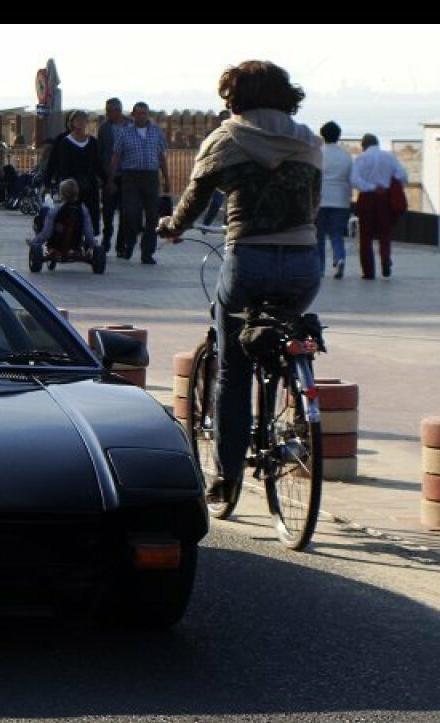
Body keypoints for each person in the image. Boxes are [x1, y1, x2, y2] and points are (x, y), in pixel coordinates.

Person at [157, 60, 323, 504]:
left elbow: (193, 198)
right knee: (286, 332)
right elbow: (314, 202)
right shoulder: (307, 140)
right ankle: (294, 405)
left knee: (233, 368)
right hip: (305, 262)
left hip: (248, 259)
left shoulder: (227, 137)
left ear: (235, 97)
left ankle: (226, 478)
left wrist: (172, 225)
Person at [108, 100, 170, 264]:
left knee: (152, 216)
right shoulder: (124, 133)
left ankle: (147, 253)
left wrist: (166, 178)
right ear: (133, 115)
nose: (141, 116)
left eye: (144, 113)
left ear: (148, 115)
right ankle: (129, 242)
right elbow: (116, 157)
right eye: (138, 113)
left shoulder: (156, 132)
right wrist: (111, 179)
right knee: (131, 213)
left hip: (150, 177)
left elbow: (161, 157)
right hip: (131, 177)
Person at [350, 133, 408, 280]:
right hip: (385, 198)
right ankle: (385, 259)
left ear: (364, 145)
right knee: (385, 233)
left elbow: (354, 179)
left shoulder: (362, 158)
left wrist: (370, 186)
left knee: (365, 237)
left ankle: (368, 271)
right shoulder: (390, 157)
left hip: (367, 198)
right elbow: (402, 175)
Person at [43, 109, 105, 234]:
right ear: (71, 122)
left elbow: (97, 163)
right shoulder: (64, 141)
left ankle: (89, 239)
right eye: (78, 120)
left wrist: (106, 179)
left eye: (83, 120)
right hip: (70, 184)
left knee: (91, 213)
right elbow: (54, 162)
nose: (80, 123)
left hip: (89, 184)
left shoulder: (92, 142)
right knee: (70, 213)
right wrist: (47, 182)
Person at [315, 120, 353, 280]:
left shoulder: (317, 153)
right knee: (337, 234)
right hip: (341, 199)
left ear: (322, 135)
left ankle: (320, 268)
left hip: (321, 199)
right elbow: (351, 178)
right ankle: (339, 258)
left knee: (319, 236)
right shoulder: (346, 155)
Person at [28, 177, 98, 253]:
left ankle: (37, 236)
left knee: (44, 210)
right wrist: (93, 244)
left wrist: (34, 242)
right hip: (75, 243)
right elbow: (88, 232)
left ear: (62, 194)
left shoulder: (56, 210)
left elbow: (46, 234)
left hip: (56, 243)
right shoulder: (83, 209)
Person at [96, 97, 130, 255]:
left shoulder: (131, 125)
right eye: (106, 110)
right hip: (109, 176)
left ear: (118, 111)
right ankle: (106, 241)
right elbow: (101, 152)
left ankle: (121, 245)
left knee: (125, 213)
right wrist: (104, 176)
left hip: (128, 176)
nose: (107, 114)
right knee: (108, 212)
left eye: (110, 111)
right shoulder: (104, 128)